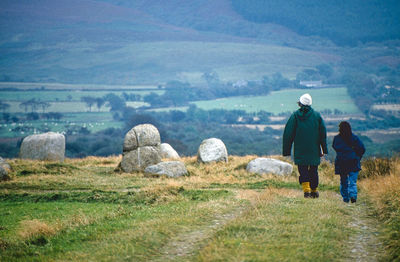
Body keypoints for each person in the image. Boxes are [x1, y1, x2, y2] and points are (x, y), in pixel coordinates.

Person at [282, 93, 328, 198]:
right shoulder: (317, 116)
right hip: (314, 149)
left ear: (300, 103)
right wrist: (324, 149)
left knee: (302, 170)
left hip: (300, 148)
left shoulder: (295, 116)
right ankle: (314, 191)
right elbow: (323, 134)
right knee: (313, 170)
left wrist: (286, 151)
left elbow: (288, 134)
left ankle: (306, 191)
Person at [332, 121, 365, 203]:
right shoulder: (354, 138)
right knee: (352, 182)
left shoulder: (337, 138)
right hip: (353, 161)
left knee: (343, 181)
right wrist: (357, 157)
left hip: (341, 162)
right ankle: (353, 196)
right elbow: (362, 149)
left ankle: (345, 198)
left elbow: (334, 147)